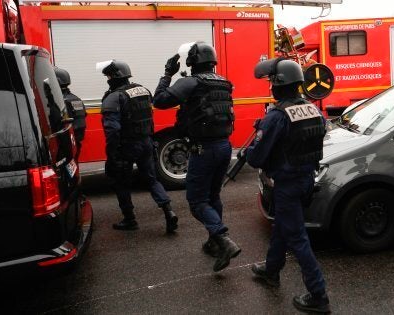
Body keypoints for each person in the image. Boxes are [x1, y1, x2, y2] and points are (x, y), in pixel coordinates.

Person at [247, 58, 330, 314]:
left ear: (278, 85)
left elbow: (256, 158)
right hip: (306, 180)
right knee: (282, 227)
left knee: (297, 238)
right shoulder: (314, 110)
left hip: (287, 184)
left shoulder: (277, 116)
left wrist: (258, 136)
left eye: (272, 82)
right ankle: (271, 270)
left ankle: (319, 295)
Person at [152, 42, 240, 272]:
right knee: (213, 196)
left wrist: (167, 75)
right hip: (224, 148)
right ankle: (213, 242)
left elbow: (159, 101)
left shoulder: (191, 82)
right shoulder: (224, 82)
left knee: (197, 202)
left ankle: (223, 240)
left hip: (204, 150)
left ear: (192, 63)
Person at [99, 59, 178, 233]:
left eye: (109, 76)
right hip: (146, 143)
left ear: (115, 76)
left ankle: (130, 220)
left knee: (121, 183)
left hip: (126, 146)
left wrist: (112, 155)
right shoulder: (143, 90)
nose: (107, 79)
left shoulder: (113, 97)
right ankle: (168, 211)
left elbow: (112, 130)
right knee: (151, 180)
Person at [54, 67, 87, 160]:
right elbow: (83, 116)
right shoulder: (76, 98)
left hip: (65, 144)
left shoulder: (61, 101)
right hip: (76, 141)